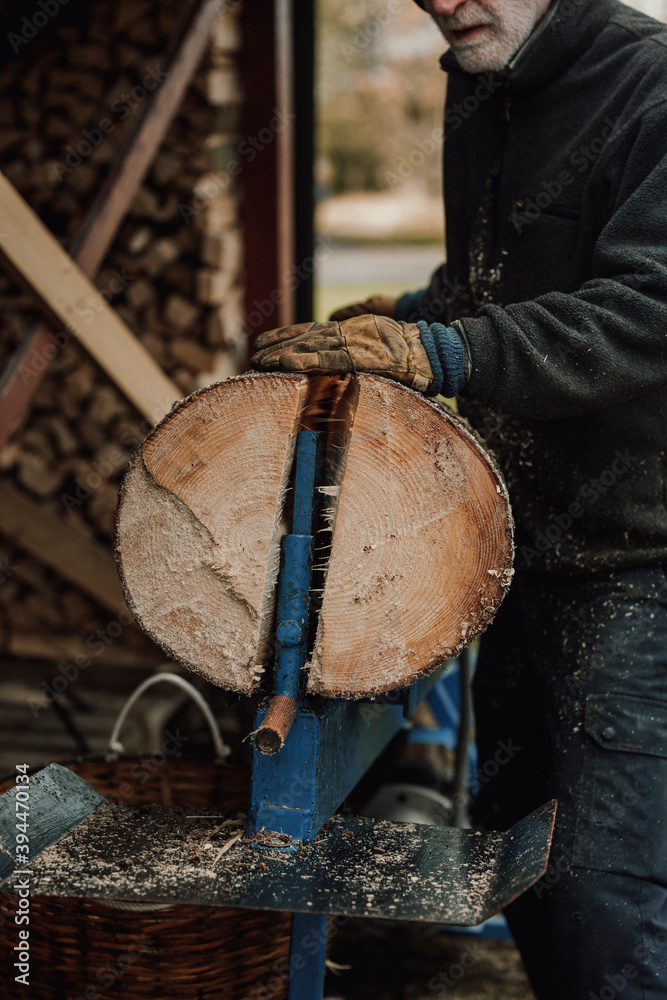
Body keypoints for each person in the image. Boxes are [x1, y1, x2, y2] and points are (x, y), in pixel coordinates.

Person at [251, 1, 667, 996]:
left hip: (635, 562)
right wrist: (402, 315)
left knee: (608, 901)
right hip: (513, 546)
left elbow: (650, 305)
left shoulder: (648, 85)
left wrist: (439, 352)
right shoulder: (483, 76)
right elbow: (501, 278)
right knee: (520, 863)